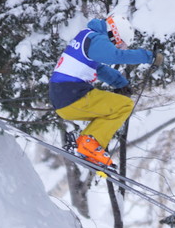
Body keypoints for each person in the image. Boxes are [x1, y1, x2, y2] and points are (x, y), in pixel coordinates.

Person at [49, 15, 164, 167]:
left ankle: (86, 145)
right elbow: (114, 56)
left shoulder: (87, 37)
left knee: (113, 109)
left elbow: (100, 69)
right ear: (115, 33)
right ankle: (89, 145)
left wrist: (120, 83)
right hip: (73, 93)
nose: (116, 46)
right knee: (124, 105)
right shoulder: (95, 38)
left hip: (62, 99)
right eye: (119, 43)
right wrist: (148, 57)